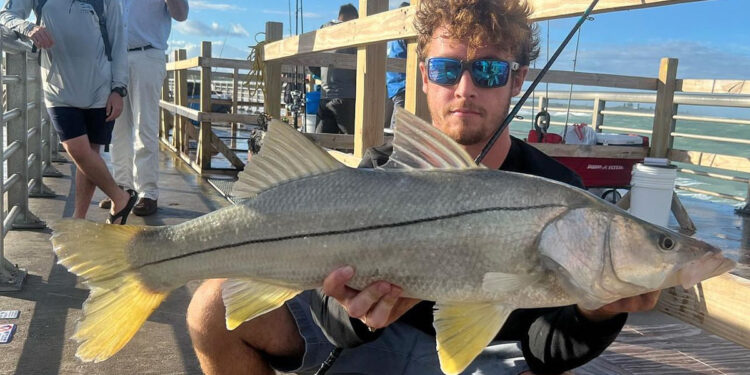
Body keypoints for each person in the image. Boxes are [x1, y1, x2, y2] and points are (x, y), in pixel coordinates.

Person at [186, 1, 661, 374]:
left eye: (490, 70)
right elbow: (329, 313)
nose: (465, 88)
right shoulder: (379, 171)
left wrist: (598, 315)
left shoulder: (559, 191)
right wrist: (357, 314)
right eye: (447, 69)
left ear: (516, 80)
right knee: (210, 307)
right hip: (374, 343)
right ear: (424, 76)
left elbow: (544, 349)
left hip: (489, 350)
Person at [0, 0, 137, 224]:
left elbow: (118, 40)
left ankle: (78, 220)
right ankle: (121, 198)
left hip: (100, 86)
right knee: (77, 150)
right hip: (57, 87)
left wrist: (119, 89)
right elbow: (5, 15)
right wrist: (29, 28)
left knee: (91, 153)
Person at [98, 0, 189, 217]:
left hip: (148, 54)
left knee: (144, 125)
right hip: (115, 58)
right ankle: (122, 189)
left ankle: (148, 192)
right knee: (117, 129)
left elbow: (181, 14)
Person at [309, 4, 358, 134]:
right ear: (353, 18)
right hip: (347, 96)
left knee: (322, 143)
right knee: (350, 143)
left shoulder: (323, 31)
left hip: (325, 95)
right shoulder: (354, 31)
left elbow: (312, 63)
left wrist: (324, 76)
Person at [383, 2, 410, 128]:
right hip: (403, 84)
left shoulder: (395, 36)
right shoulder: (405, 34)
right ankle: (395, 146)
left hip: (395, 85)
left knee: (397, 120)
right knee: (399, 124)